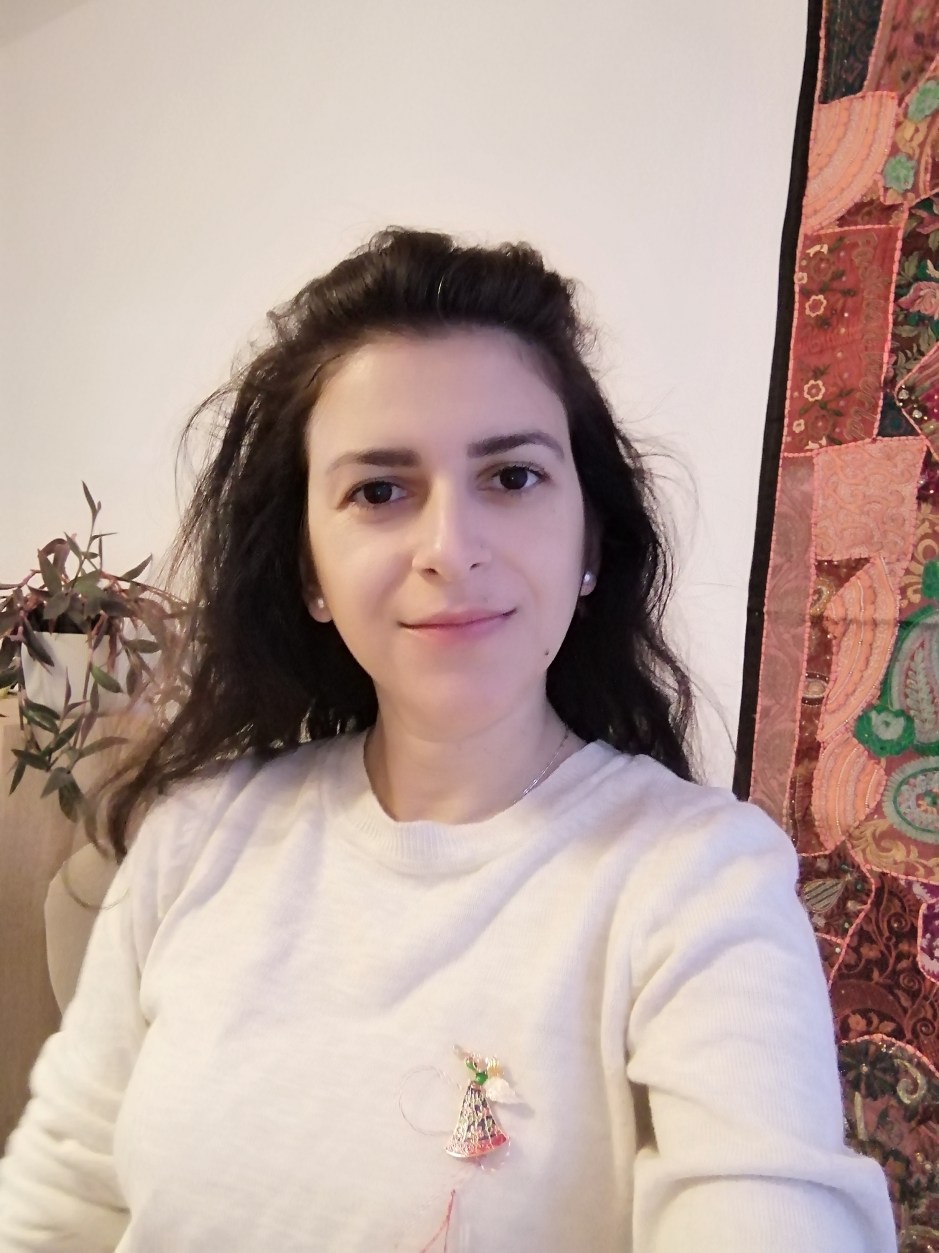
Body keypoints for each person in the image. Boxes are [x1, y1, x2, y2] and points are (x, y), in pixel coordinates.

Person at [0, 227, 896, 1252]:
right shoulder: (193, 837)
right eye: (379, 491)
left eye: (511, 477)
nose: (451, 548)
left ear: (591, 540)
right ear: (309, 570)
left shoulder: (700, 881)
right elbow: (62, 1199)